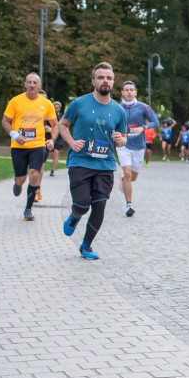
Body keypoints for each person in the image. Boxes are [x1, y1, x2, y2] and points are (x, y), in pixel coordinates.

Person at [57, 62, 127, 259]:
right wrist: (71, 142)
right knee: (81, 204)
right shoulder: (79, 103)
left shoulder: (119, 110)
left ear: (113, 82)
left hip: (105, 165)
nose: (105, 81)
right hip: (80, 162)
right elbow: (62, 125)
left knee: (100, 205)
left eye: (109, 78)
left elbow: (123, 139)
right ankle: (75, 216)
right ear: (93, 81)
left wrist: (121, 140)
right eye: (101, 77)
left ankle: (86, 246)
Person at [1, 73, 57, 221]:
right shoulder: (15, 101)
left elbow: (56, 125)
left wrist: (52, 139)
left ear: (39, 86)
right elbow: (5, 121)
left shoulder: (46, 104)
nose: (32, 85)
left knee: (34, 174)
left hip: (38, 145)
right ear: (25, 84)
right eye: (29, 82)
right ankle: (17, 184)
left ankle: (28, 209)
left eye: (35, 83)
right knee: (22, 178)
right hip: (18, 145)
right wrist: (14, 135)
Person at [116, 81, 158, 217]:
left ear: (135, 92)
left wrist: (143, 127)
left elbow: (155, 121)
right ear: (122, 92)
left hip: (138, 146)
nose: (129, 92)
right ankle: (129, 205)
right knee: (128, 173)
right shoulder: (117, 108)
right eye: (126, 90)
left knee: (133, 177)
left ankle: (124, 179)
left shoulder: (143, 107)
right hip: (123, 145)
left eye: (131, 90)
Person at [47, 100, 65, 176]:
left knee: (56, 152)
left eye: (58, 107)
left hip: (59, 137)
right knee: (51, 154)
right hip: (50, 136)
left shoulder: (62, 116)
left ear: (60, 108)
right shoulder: (49, 116)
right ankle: (54, 162)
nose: (56, 108)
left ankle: (52, 170)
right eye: (55, 107)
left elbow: (64, 126)